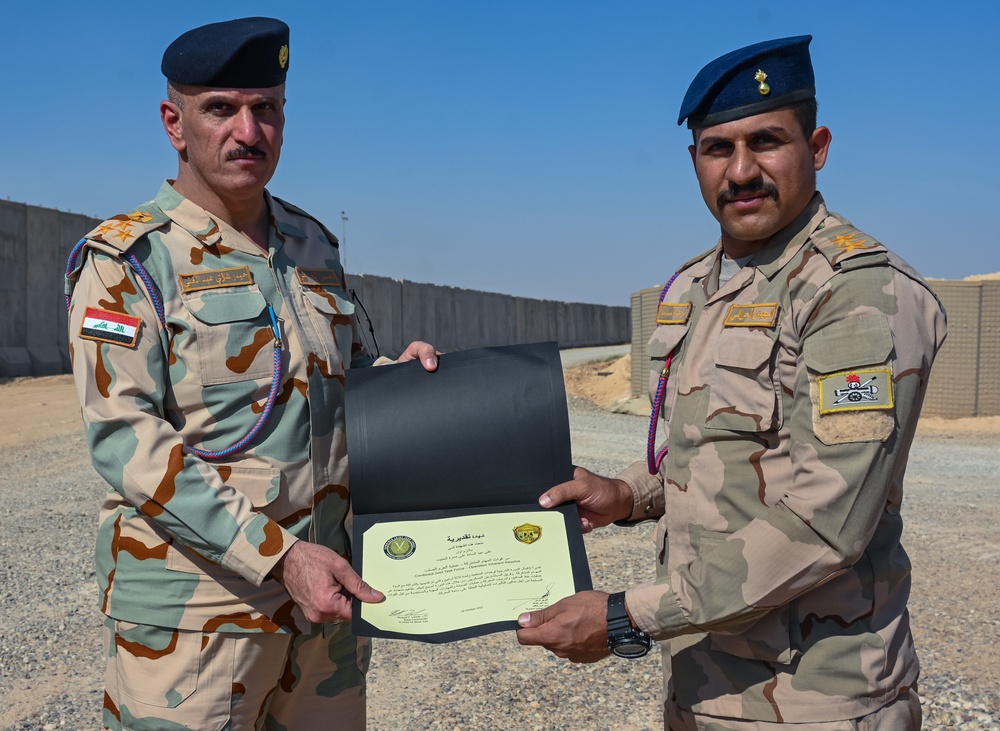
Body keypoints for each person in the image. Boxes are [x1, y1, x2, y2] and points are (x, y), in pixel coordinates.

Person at [516, 35, 947, 730]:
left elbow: (825, 521)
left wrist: (627, 615)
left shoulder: (858, 294)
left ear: (819, 145)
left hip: (817, 698)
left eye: (766, 141)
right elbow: (703, 450)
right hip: (702, 678)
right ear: (695, 162)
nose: (741, 170)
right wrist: (628, 492)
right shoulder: (694, 284)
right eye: (719, 149)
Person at [65, 17, 437, 731]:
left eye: (265, 108)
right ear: (175, 123)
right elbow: (126, 438)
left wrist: (404, 379)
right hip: (199, 622)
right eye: (221, 109)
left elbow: (342, 379)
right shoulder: (129, 260)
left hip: (322, 605)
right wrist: (279, 556)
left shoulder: (311, 242)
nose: (248, 131)